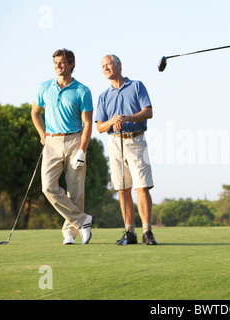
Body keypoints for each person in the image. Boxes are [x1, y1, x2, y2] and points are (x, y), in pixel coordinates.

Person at [31, 48, 94, 245]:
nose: (58, 66)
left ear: (71, 64)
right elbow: (35, 112)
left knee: (75, 189)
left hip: (75, 140)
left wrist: (82, 149)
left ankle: (69, 233)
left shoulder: (83, 91)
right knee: (48, 186)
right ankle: (83, 220)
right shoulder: (44, 87)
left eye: (62, 63)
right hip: (51, 141)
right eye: (56, 63)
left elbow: (88, 124)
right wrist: (42, 134)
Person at [95, 54, 157, 245]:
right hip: (115, 143)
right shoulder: (103, 96)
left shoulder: (137, 86)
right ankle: (129, 232)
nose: (106, 68)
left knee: (142, 187)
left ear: (119, 65)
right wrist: (111, 122)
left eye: (109, 64)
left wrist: (127, 118)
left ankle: (147, 232)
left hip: (136, 140)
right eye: (103, 66)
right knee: (123, 189)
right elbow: (99, 127)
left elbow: (149, 112)